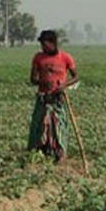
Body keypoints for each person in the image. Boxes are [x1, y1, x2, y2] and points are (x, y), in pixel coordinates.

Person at [28, 29, 79, 162]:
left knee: (59, 125)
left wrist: (64, 85)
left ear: (53, 43)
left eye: (45, 44)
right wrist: (42, 82)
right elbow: (32, 78)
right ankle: (38, 151)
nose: (42, 47)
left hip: (58, 98)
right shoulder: (38, 58)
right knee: (40, 125)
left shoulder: (65, 58)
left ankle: (59, 153)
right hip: (43, 97)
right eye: (41, 45)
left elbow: (76, 77)